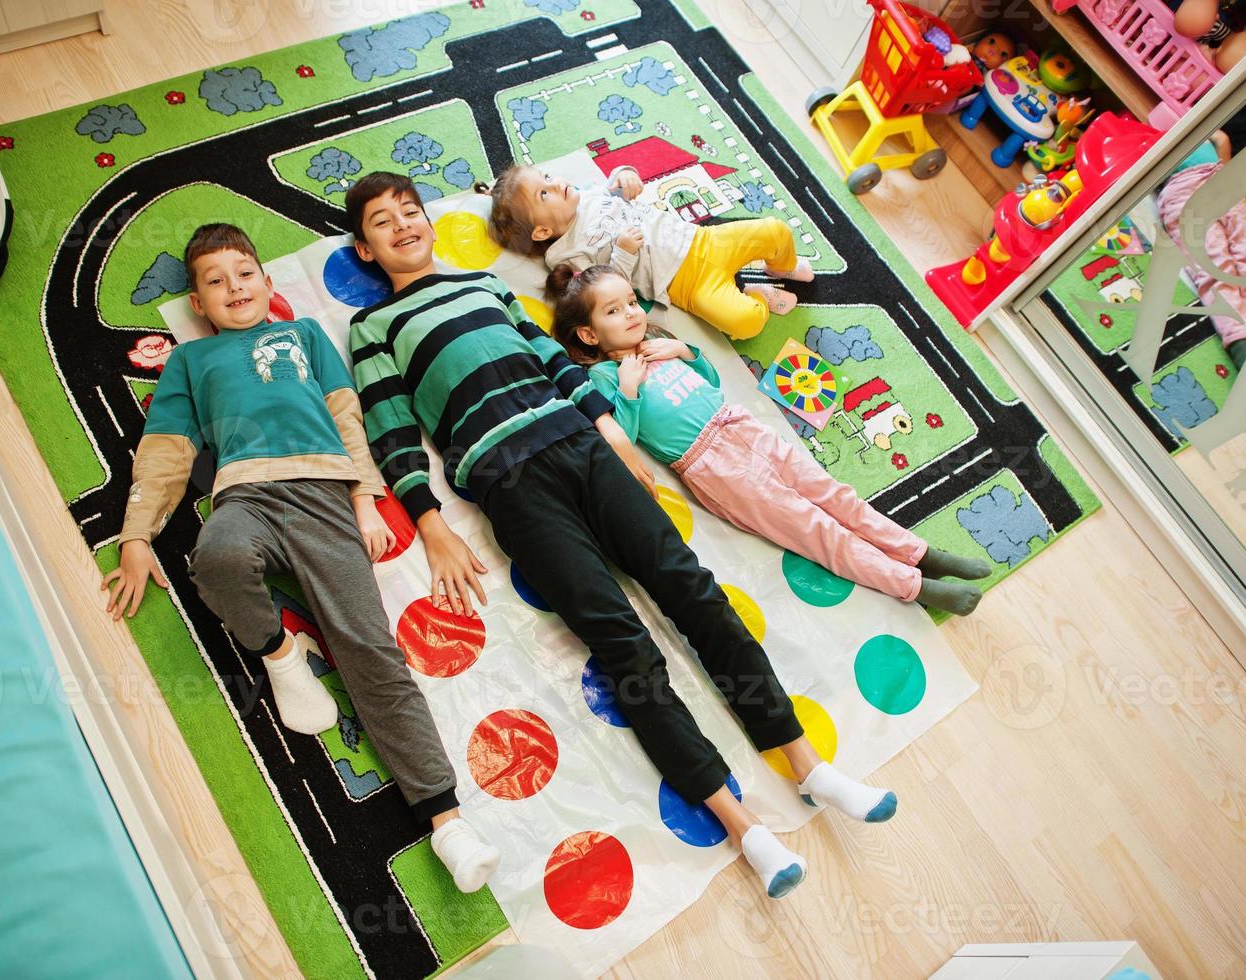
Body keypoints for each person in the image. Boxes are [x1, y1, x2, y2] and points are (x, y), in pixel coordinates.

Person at [345, 173, 900, 900]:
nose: (404, 227)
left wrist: (611, 430)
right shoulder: (371, 327)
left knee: (692, 592)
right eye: (384, 223)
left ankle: (808, 766)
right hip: (509, 483)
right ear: (364, 248)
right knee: (623, 645)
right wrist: (429, 521)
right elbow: (389, 427)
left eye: (410, 213)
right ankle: (743, 827)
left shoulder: (483, 284)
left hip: (580, 442)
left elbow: (553, 360)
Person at [100, 223, 500, 892]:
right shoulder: (191, 363)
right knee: (215, 557)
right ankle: (281, 657)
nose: (233, 288)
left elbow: (349, 420)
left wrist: (364, 500)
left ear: (267, 282)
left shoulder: (305, 337)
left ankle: (446, 822)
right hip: (245, 495)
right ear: (197, 303)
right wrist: (136, 535)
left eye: (243, 272)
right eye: (215, 281)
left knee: (369, 649)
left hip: (324, 497)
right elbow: (167, 452)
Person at [549, 264, 990, 616]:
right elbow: (619, 438)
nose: (631, 313)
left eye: (631, 302)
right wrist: (627, 390)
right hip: (711, 464)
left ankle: (919, 552)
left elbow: (711, 384)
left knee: (834, 495)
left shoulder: (658, 342)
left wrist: (686, 352)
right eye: (614, 311)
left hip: (737, 423)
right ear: (588, 335)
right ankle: (913, 585)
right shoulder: (602, 377)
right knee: (813, 528)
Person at [480, 163, 815, 341]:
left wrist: (626, 174)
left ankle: (780, 267)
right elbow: (609, 293)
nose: (555, 184)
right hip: (685, 283)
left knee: (776, 230)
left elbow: (618, 182)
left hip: (701, 239)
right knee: (745, 322)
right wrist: (623, 252)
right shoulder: (565, 256)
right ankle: (756, 295)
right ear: (542, 231)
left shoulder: (588, 195)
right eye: (543, 194)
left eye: (548, 176)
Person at [1156, 132, 1246, 372]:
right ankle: (1240, 342)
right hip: (1184, 188)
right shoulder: (1161, 135)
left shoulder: (1204, 126)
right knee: (1215, 265)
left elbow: (1223, 140)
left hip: (1220, 180)